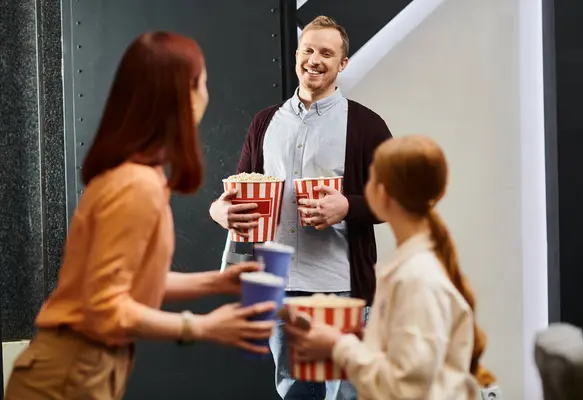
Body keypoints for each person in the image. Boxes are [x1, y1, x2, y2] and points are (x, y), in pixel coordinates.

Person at [4, 31, 276, 400]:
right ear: (184, 95)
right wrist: (203, 327)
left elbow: (132, 283)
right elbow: (107, 306)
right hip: (68, 376)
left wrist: (220, 282)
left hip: (83, 369)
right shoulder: (135, 185)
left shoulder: (136, 177)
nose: (207, 96)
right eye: (204, 83)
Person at [210, 15, 392, 400]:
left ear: (342, 63)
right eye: (308, 50)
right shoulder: (265, 123)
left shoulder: (367, 125)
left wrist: (347, 206)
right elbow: (240, 190)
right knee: (292, 391)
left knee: (345, 393)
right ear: (297, 55)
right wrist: (220, 211)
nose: (315, 59)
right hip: (279, 282)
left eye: (327, 53)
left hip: (341, 285)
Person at [283, 135, 497, 399]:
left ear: (382, 193)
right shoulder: (413, 267)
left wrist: (338, 345)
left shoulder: (415, 278)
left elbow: (406, 386)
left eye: (370, 178)